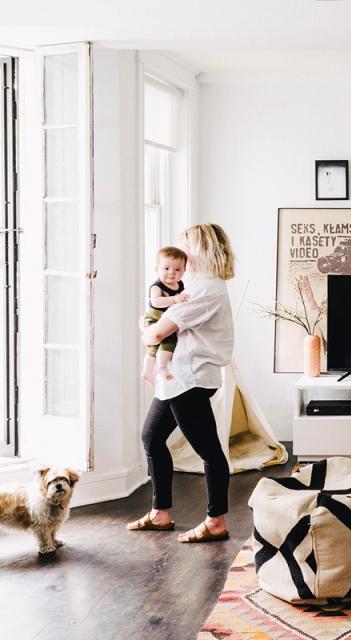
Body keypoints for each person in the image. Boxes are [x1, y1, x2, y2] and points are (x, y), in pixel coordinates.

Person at [127, 223, 236, 543]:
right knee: (152, 437)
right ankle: (160, 514)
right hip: (177, 378)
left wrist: (146, 329)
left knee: (209, 452)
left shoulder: (205, 290)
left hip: (190, 378)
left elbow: (157, 333)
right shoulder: (197, 285)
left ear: (200, 250)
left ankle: (216, 522)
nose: (181, 254)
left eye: (185, 247)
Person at [140, 246, 190, 383]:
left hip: (165, 318)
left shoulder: (179, 284)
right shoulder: (157, 286)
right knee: (164, 342)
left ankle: (149, 371)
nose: (171, 272)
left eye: (177, 269)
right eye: (166, 268)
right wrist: (174, 299)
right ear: (157, 269)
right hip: (154, 317)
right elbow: (155, 301)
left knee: (161, 344)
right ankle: (159, 367)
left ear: (184, 270)